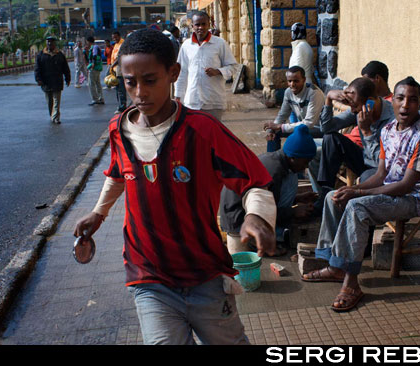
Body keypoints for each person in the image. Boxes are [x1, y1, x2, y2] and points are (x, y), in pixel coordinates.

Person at [73, 28, 277, 345]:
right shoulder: (118, 130)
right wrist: (98, 214)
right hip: (148, 275)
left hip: (205, 275)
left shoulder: (203, 130)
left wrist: (257, 216)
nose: (139, 91)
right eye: (130, 82)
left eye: (150, 80)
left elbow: (254, 180)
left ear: (173, 73)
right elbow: (117, 173)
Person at [301, 76, 420, 312]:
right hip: (391, 193)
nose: (405, 105)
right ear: (393, 99)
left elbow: (406, 186)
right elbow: (380, 175)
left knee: (357, 207)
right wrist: (353, 189)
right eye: (400, 98)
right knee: (332, 196)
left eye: (412, 100)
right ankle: (334, 264)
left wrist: (356, 194)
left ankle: (351, 283)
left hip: (413, 200)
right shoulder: (388, 130)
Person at [220, 124, 319, 256]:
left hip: (244, 210)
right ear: (293, 158)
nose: (306, 167)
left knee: (291, 177)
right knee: (285, 236)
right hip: (238, 221)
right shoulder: (274, 170)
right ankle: (255, 242)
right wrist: (293, 211)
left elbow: (270, 196)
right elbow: (263, 206)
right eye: (305, 162)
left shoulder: (278, 161)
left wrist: (298, 198)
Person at [317, 76, 394, 193]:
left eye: (354, 106)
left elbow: (384, 163)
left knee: (366, 177)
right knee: (330, 138)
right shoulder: (359, 107)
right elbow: (326, 128)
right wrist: (328, 99)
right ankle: (325, 192)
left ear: (370, 102)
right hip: (364, 157)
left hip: (381, 168)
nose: (352, 110)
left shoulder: (392, 119)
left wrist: (366, 132)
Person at [175, 10, 239, 121]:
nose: (201, 27)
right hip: (192, 102)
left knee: (213, 135)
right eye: (197, 24)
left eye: (204, 24)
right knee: (194, 136)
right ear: (192, 26)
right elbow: (181, 72)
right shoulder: (186, 46)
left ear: (209, 25)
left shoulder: (220, 44)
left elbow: (233, 67)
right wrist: (177, 97)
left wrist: (218, 71)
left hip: (214, 102)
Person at [263, 66, 324, 152]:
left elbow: (309, 123)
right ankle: (272, 160)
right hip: (303, 128)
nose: (292, 84)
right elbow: (282, 115)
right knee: (274, 132)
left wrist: (280, 126)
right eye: (289, 81)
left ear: (304, 80)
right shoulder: (288, 92)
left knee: (284, 131)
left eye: (296, 81)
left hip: (319, 129)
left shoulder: (314, 93)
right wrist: (271, 129)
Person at [34, 36, 71, 124]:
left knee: (56, 100)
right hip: (46, 82)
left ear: (54, 44)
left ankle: (56, 117)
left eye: (51, 42)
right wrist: (38, 79)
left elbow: (65, 68)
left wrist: (67, 78)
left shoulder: (59, 55)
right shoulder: (41, 55)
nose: (50, 44)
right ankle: (52, 115)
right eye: (48, 42)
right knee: (50, 101)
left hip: (57, 81)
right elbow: (37, 68)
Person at [109, 31, 128, 114]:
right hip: (115, 69)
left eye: (116, 37)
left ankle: (122, 107)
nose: (114, 39)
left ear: (119, 36)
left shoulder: (122, 44)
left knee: (121, 89)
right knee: (117, 88)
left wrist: (112, 65)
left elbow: (119, 57)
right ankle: (120, 105)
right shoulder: (116, 44)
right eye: (113, 38)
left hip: (120, 69)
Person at [86, 36, 104, 105]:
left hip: (93, 68)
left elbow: (94, 55)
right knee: (98, 83)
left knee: (92, 84)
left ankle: (95, 99)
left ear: (88, 41)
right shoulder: (95, 47)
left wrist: (93, 63)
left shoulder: (94, 47)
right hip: (97, 68)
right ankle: (101, 98)